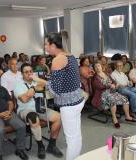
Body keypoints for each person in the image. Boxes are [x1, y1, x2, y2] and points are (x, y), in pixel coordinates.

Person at [44, 32, 85, 160]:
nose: (45, 47)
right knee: (76, 135)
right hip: (78, 100)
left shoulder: (57, 60)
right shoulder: (70, 55)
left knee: (71, 139)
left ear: (53, 45)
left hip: (69, 105)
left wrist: (41, 81)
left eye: (46, 44)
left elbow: (55, 91)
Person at [14, 63, 63, 159]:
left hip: (40, 108)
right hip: (25, 109)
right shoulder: (18, 85)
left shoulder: (36, 82)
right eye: (26, 72)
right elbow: (24, 99)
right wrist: (33, 89)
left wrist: (36, 82)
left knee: (59, 117)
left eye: (31, 71)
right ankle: (41, 146)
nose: (29, 74)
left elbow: (48, 84)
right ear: (22, 74)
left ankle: (52, 145)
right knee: (33, 117)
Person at [92, 63, 136, 128]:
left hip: (111, 92)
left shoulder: (107, 74)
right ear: (94, 69)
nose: (97, 67)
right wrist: (108, 85)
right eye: (95, 66)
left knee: (125, 99)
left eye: (98, 66)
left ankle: (127, 116)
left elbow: (114, 81)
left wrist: (114, 84)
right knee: (112, 100)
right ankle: (114, 118)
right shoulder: (95, 77)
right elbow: (98, 87)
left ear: (101, 67)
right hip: (102, 94)